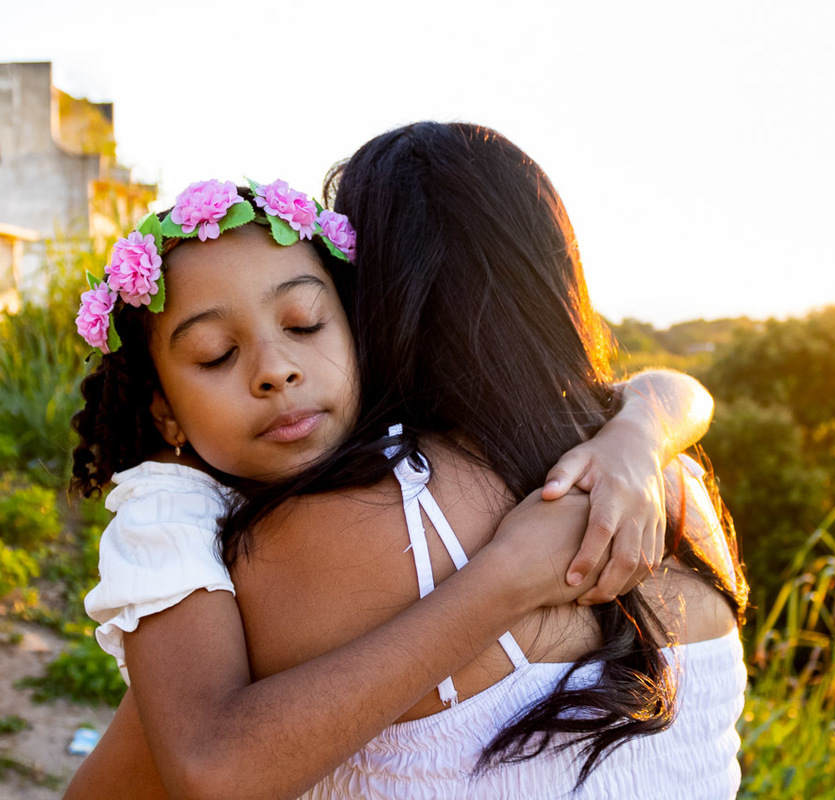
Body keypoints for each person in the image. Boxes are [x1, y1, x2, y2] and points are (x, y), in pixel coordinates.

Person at [124, 123, 747, 798]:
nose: (279, 369)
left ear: (368, 301)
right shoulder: (676, 488)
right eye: (219, 355)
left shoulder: (338, 527)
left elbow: (163, 774)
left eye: (306, 322)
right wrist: (643, 428)